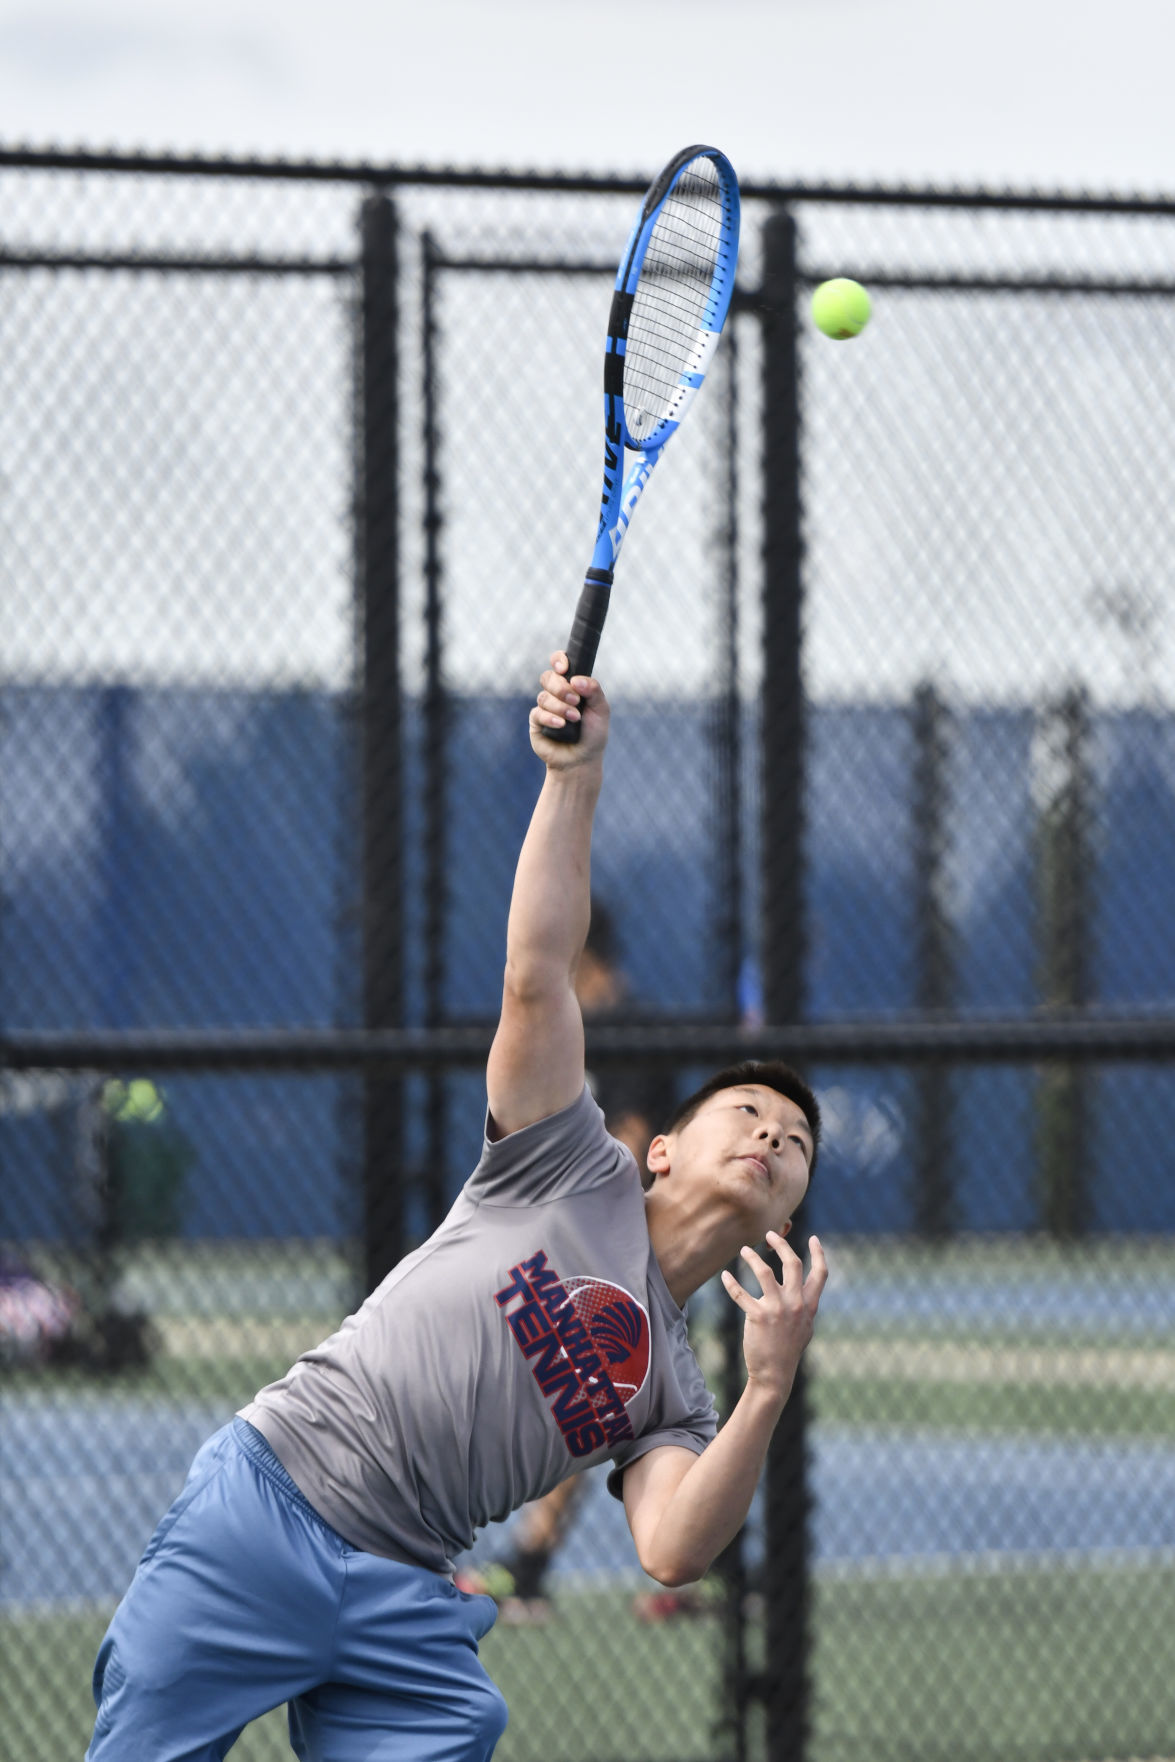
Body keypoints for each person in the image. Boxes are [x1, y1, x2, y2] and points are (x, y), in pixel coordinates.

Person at [86, 651, 827, 1762]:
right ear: (663, 1150)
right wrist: (572, 781)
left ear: (785, 1215)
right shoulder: (567, 1161)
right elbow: (537, 973)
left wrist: (766, 1385)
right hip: (268, 1511)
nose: (773, 1131)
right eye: (751, 1108)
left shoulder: (670, 1392)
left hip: (402, 1597)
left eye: (798, 1137)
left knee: (451, 1727)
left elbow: (672, 1547)